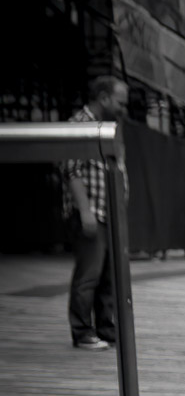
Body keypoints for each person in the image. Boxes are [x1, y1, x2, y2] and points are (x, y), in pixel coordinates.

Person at [64, 76, 130, 350]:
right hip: (93, 212)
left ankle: (106, 327)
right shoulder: (80, 124)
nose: (123, 108)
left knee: (108, 276)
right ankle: (82, 331)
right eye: (120, 102)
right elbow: (71, 170)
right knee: (89, 274)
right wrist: (85, 212)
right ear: (103, 97)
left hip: (110, 213)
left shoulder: (110, 126)